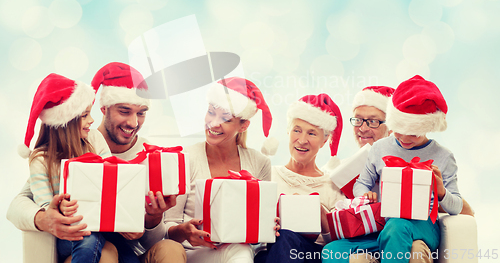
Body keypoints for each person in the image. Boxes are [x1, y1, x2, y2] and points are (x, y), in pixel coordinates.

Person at [7, 62, 186, 263]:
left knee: (153, 250)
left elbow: (148, 240)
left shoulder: (149, 158)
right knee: (102, 250)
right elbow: (18, 205)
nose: (134, 123)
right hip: (81, 238)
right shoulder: (55, 154)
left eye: (141, 113)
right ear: (104, 108)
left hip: (119, 239)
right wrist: (46, 216)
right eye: (125, 111)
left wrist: (149, 220)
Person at [323, 75, 463, 263]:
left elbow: (457, 207)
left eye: (413, 133)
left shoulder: (444, 156)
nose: (404, 138)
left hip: (423, 226)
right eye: (398, 129)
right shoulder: (380, 148)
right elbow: (361, 184)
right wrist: (364, 195)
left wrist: (441, 192)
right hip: (382, 226)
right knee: (331, 251)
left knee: (397, 226)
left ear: (428, 126)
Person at [145, 77, 274, 263]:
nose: (214, 123)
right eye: (211, 113)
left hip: (237, 252)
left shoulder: (259, 163)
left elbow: (260, 238)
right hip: (188, 253)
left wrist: (268, 226)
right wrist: (184, 231)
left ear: (243, 125)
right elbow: (167, 227)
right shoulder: (185, 158)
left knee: (241, 249)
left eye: (226, 119)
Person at [21, 73, 134, 263]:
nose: (91, 120)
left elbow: (112, 175)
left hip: (102, 224)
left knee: (128, 255)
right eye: (84, 115)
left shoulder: (94, 139)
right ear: (65, 124)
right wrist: (60, 208)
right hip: (70, 231)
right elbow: (45, 206)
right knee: (87, 238)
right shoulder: (40, 160)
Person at [255, 93, 346, 263]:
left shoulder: (333, 187)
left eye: (312, 134)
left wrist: (319, 213)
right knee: (278, 241)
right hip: (269, 253)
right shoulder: (267, 175)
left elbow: (339, 247)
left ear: (325, 140)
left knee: (286, 237)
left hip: (312, 256)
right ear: (288, 132)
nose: (302, 140)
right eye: (297, 130)